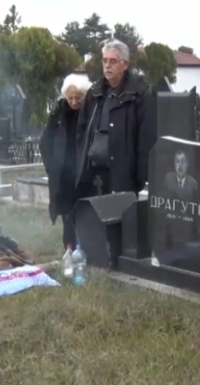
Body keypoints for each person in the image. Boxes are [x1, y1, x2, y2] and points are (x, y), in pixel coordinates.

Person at [76, 39, 156, 198]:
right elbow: (82, 129)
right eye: (104, 61)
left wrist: (140, 177)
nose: (107, 65)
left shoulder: (140, 94)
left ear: (124, 64)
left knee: (121, 220)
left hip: (124, 176)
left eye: (113, 61)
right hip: (94, 172)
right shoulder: (95, 92)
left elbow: (146, 138)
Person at [40, 73, 92, 250]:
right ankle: (69, 250)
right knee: (67, 216)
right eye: (71, 98)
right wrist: (51, 167)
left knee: (84, 216)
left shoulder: (91, 113)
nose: (75, 101)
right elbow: (45, 141)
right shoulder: (58, 113)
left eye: (78, 97)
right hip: (64, 175)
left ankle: (86, 250)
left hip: (85, 176)